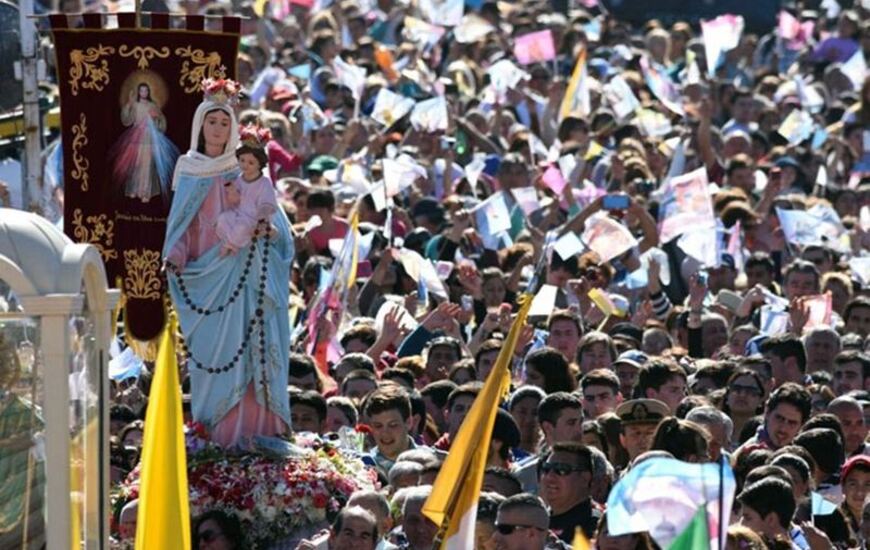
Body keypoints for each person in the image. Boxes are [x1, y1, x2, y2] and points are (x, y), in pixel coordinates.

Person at [163, 78, 294, 448]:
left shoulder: (246, 170)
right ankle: (217, 438)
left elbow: (280, 228)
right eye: (211, 122)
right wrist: (174, 257)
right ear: (199, 125)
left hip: (248, 273)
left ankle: (259, 436)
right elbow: (181, 229)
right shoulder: (187, 168)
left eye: (224, 122)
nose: (218, 129)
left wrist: (269, 233)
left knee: (255, 351)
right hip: (208, 276)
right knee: (214, 361)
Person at [215, 125, 279, 257]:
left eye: (251, 163)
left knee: (243, 228)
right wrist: (232, 191)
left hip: (253, 217)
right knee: (222, 219)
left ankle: (231, 246)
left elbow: (268, 204)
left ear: (259, 164)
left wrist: (262, 216)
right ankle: (231, 242)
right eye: (242, 160)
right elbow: (236, 200)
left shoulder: (264, 183)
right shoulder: (240, 178)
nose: (245, 165)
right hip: (238, 213)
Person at [111, 81, 179, 203]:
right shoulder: (135, 105)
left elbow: (161, 121)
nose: (144, 93)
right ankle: (134, 190)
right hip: (135, 138)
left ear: (149, 92)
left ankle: (145, 192)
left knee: (146, 165)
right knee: (135, 164)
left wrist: (156, 118)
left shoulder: (152, 105)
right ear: (138, 92)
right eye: (141, 90)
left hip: (148, 138)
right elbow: (126, 120)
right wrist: (129, 105)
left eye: (146, 90)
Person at [538, 442, 601, 543]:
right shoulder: (537, 523)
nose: (549, 477)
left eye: (562, 470)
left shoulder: (597, 526)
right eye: (546, 468)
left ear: (585, 478)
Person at [616, 399, 670, 464]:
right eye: (636, 433)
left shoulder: (672, 473)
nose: (642, 440)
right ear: (623, 439)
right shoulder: (616, 474)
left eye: (649, 433)